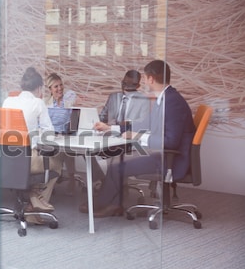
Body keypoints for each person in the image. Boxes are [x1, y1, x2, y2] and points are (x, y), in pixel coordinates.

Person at [79, 60, 195, 217]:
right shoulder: (164, 98)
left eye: (146, 78)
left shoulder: (172, 102)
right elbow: (144, 123)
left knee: (117, 163)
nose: (145, 82)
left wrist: (138, 136)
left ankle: (109, 205)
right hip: (160, 153)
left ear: (152, 79)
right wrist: (111, 128)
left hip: (170, 159)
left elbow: (171, 141)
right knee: (117, 158)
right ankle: (108, 203)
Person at [2, 67, 63, 216]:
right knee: (57, 160)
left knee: (39, 160)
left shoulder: (8, 101)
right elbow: (49, 134)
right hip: (27, 160)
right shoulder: (37, 102)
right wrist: (37, 134)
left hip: (4, 159)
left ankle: (35, 197)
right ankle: (36, 204)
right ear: (39, 87)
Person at [89, 69, 152, 184]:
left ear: (137, 85)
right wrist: (96, 122)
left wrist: (115, 127)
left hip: (127, 139)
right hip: (109, 135)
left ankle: (112, 185)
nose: (125, 86)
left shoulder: (143, 100)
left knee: (112, 154)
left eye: (130, 84)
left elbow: (140, 126)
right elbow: (103, 116)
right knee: (88, 150)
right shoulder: (114, 97)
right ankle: (102, 178)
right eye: (124, 82)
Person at [45, 73, 78, 194]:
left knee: (68, 149)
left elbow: (73, 95)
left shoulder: (67, 99)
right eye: (55, 87)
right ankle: (53, 180)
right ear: (50, 89)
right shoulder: (46, 104)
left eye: (61, 85)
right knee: (60, 151)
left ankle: (72, 179)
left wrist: (62, 100)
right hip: (52, 136)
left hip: (67, 134)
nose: (59, 89)